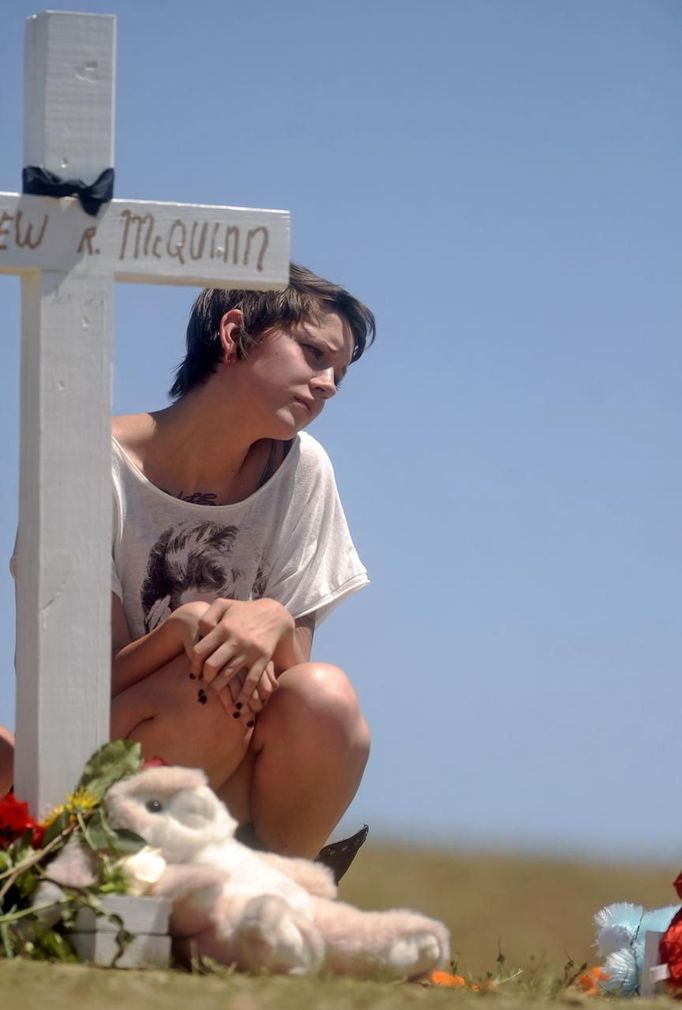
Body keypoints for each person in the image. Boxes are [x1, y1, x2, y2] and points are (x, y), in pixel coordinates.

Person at [108, 263, 375, 864]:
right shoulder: (99, 462)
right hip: (115, 757)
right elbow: (81, 688)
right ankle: (136, 888)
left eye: (340, 373)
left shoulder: (303, 469)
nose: (328, 383)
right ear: (233, 334)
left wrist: (277, 619)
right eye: (313, 353)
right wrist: (184, 628)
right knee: (205, 689)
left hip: (232, 763)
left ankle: (275, 887)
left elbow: (288, 687)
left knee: (326, 697)